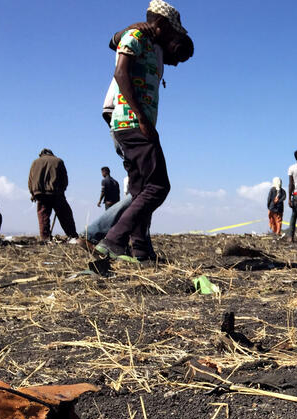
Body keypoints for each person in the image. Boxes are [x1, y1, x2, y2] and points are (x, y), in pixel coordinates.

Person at [95, 0, 190, 261]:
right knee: (159, 185)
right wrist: (143, 120)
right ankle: (112, 241)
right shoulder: (136, 35)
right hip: (131, 122)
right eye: (173, 34)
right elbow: (121, 74)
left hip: (135, 122)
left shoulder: (154, 45)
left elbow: (115, 41)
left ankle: (141, 250)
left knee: (139, 190)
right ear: (160, 25)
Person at [28, 149, 79, 241]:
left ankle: (45, 238)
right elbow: (64, 179)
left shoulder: (35, 162)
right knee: (65, 214)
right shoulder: (58, 161)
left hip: (40, 193)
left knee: (43, 216)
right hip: (56, 193)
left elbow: (30, 180)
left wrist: (33, 193)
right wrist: (62, 190)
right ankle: (72, 235)